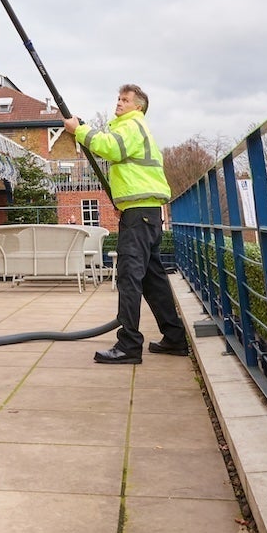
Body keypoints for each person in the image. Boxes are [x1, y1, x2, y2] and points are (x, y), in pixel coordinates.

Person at [64, 84, 187, 364]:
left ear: (138, 106)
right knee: (152, 279)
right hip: (146, 212)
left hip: (140, 214)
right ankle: (174, 337)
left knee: (129, 276)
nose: (119, 103)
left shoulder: (132, 126)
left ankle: (129, 345)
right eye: (118, 99)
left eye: (125, 100)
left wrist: (79, 131)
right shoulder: (136, 127)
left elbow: (113, 149)